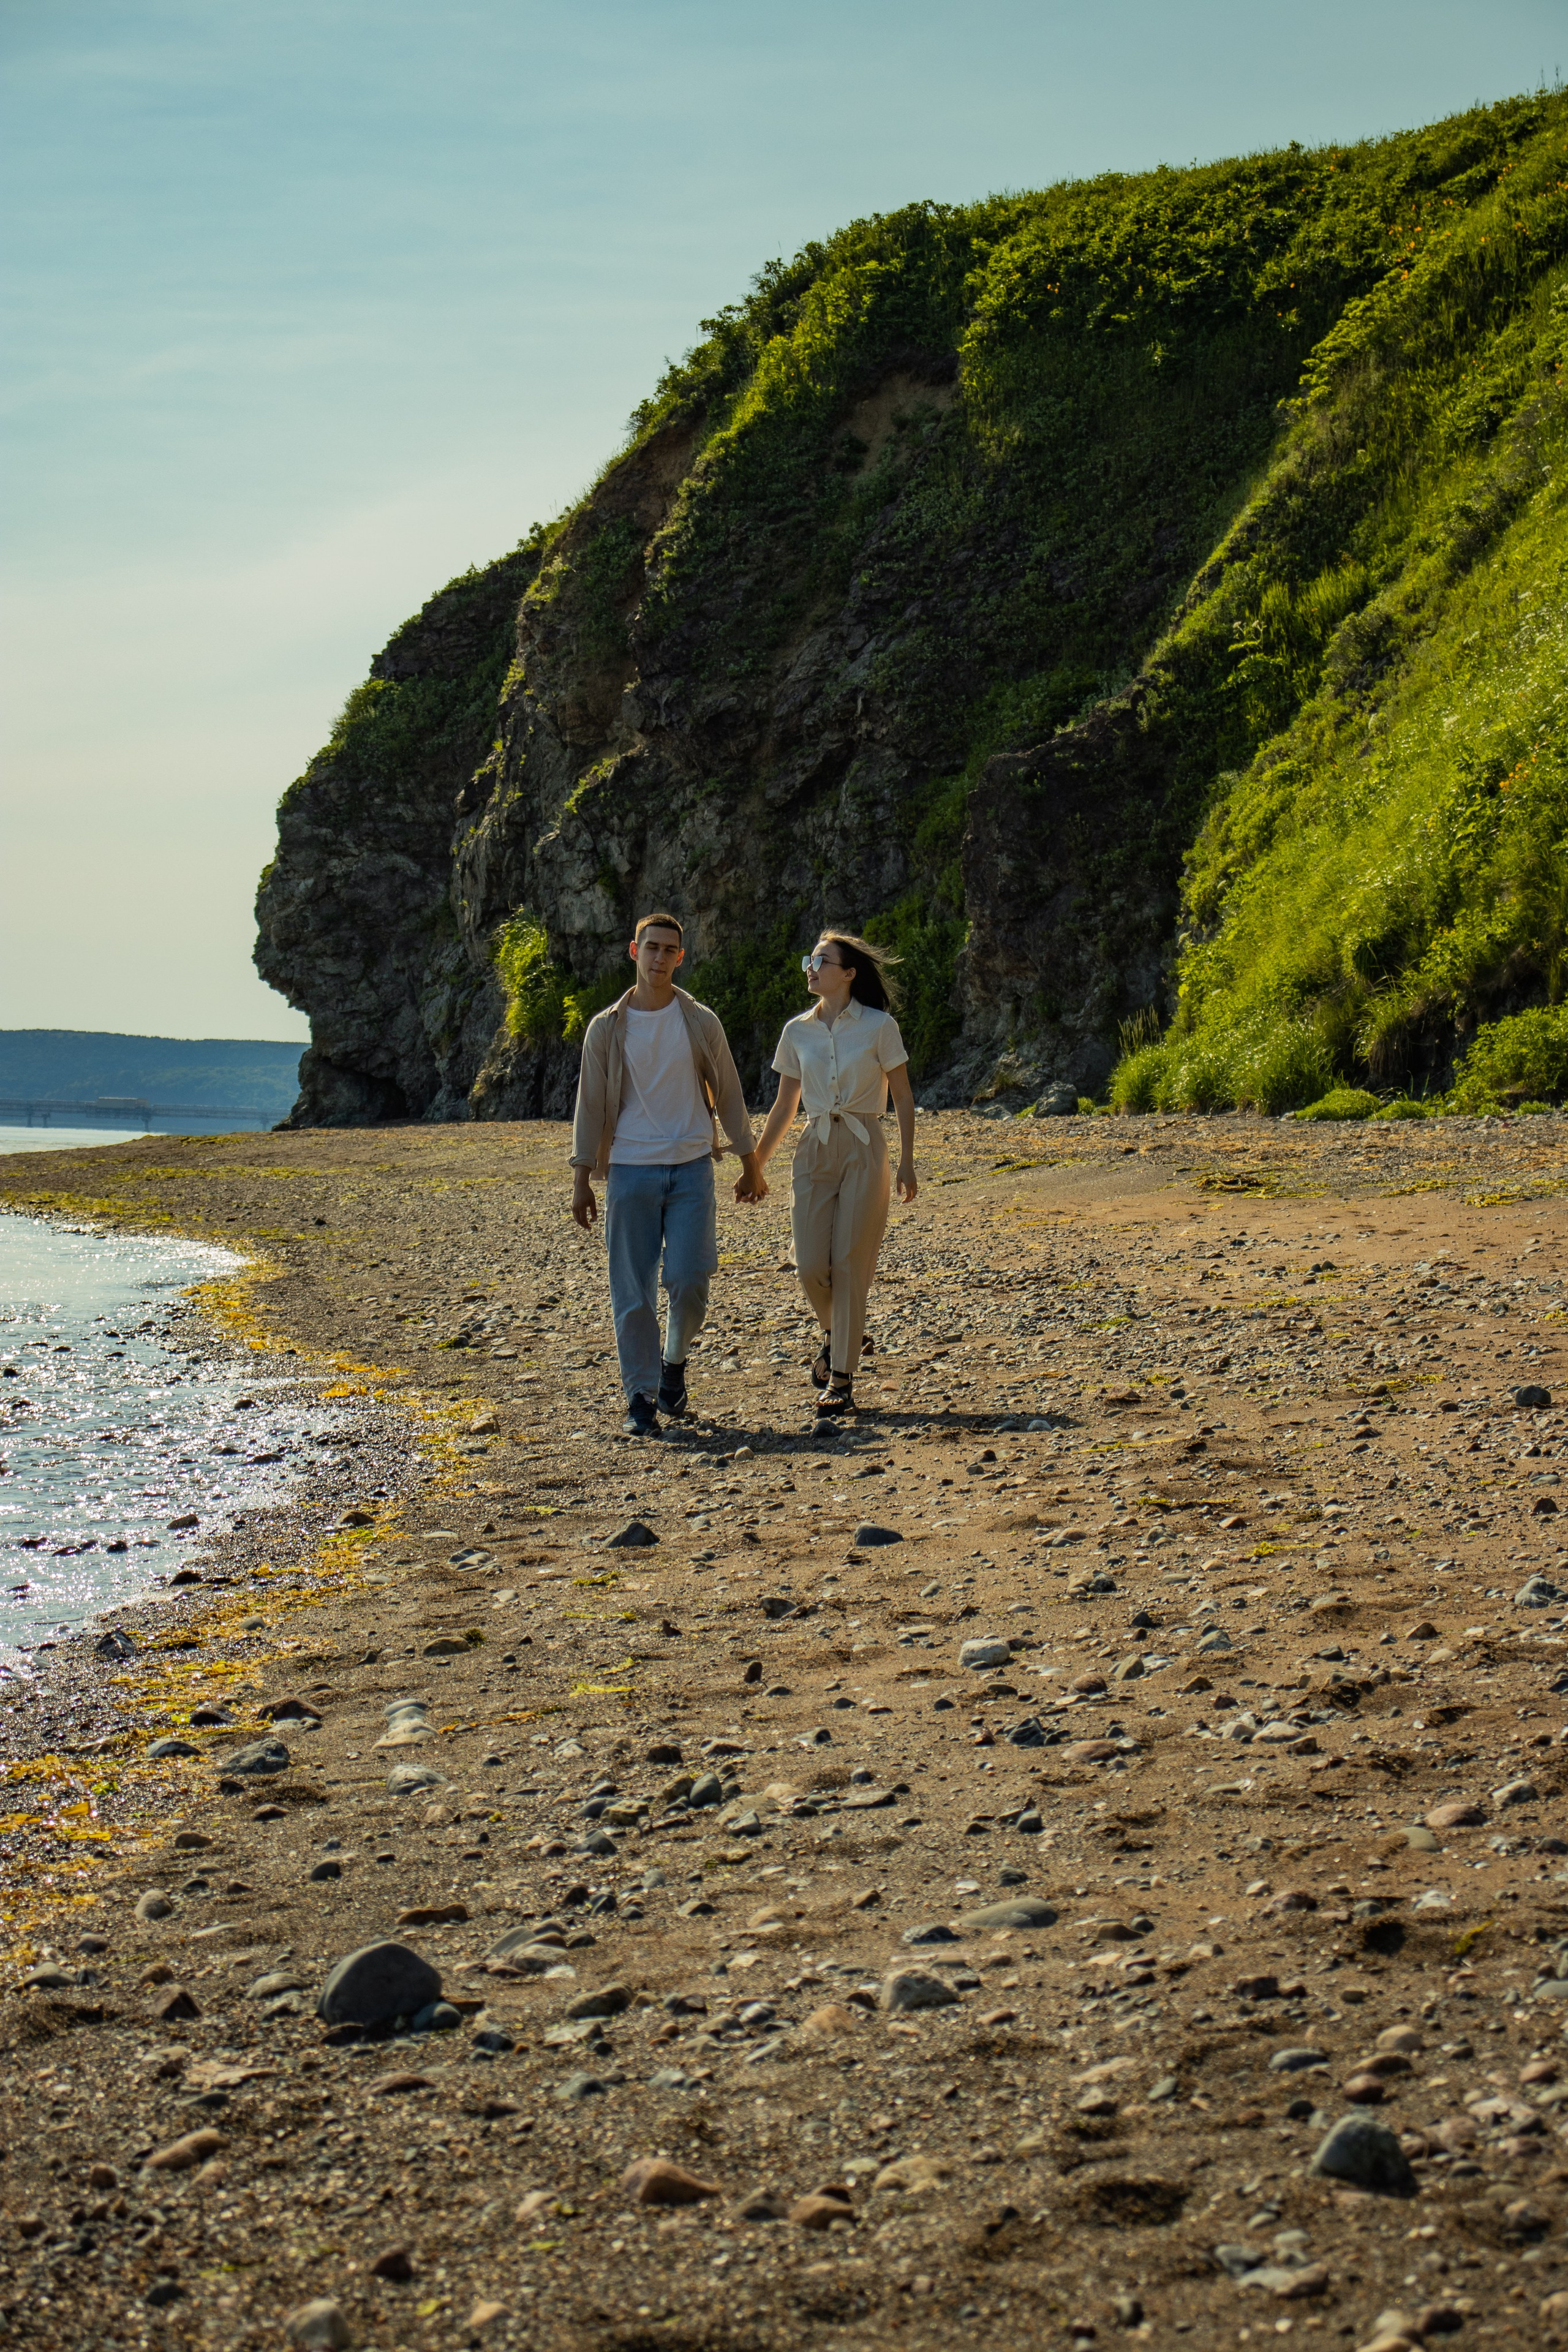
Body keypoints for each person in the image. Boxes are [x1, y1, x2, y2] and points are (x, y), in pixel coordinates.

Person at [571, 913, 766, 1438]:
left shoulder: (701, 1021)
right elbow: (590, 1105)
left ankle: (673, 1364)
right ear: (634, 951)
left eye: (669, 950)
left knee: (691, 1277)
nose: (659, 958)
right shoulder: (606, 1027)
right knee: (631, 1290)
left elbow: (728, 1093)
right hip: (630, 1170)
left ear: (680, 958)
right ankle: (640, 1395)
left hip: (692, 1168)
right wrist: (581, 1176)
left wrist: (750, 1162)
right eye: (651, 948)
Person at [741, 932, 916, 1416]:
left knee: (850, 1262)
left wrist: (906, 1160)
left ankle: (841, 1378)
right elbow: (784, 1105)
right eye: (809, 960)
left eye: (822, 961)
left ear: (849, 972)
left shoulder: (881, 1027)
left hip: (865, 1146)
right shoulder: (797, 1031)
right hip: (813, 1147)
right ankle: (845, 1333)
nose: (811, 968)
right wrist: (754, 1164)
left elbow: (901, 1096)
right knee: (810, 1265)